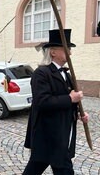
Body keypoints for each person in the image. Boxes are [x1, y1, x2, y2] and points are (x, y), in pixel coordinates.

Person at [23, 29, 89, 175]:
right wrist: (71, 98)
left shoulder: (66, 73)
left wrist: (79, 113)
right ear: (53, 52)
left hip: (61, 135)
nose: (70, 53)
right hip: (47, 135)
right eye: (67, 49)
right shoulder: (41, 73)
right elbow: (42, 102)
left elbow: (67, 103)